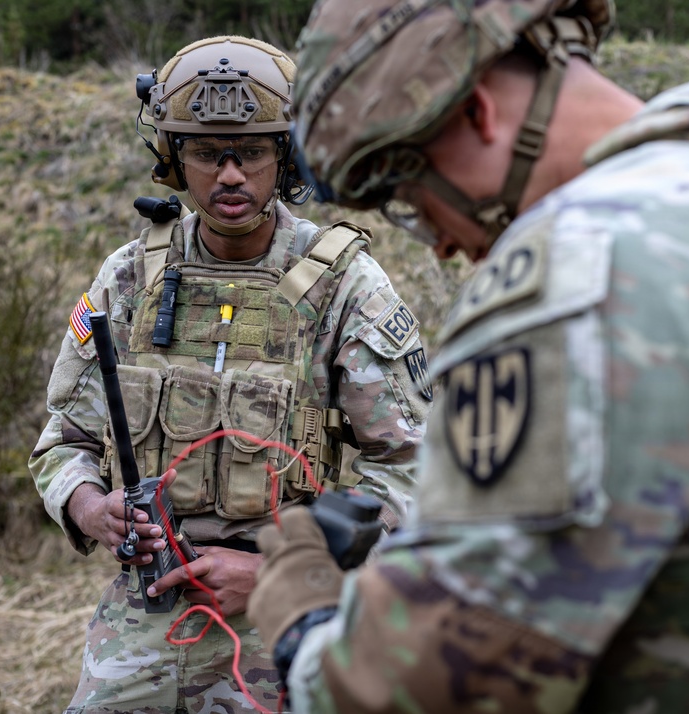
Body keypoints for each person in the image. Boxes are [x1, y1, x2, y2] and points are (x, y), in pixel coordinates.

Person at [248, 1, 689, 712]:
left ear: (477, 112)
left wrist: (303, 620)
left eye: (412, 198)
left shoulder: (593, 259)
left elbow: (455, 674)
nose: (440, 243)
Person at [29, 35, 430, 714]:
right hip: (151, 605)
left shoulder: (343, 284)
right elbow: (64, 438)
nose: (231, 175)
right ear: (172, 158)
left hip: (292, 602)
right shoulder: (131, 276)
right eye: (207, 153)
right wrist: (91, 507)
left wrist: (283, 565)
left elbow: (414, 466)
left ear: (286, 155)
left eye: (250, 152)